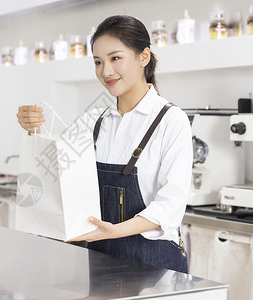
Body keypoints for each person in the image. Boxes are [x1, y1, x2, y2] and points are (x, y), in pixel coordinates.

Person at [16, 15, 192, 273]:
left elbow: (170, 207)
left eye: (115, 58)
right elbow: (56, 171)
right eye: (98, 62)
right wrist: (34, 128)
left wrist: (114, 231)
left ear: (143, 57)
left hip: (155, 266)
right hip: (100, 259)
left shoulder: (170, 120)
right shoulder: (94, 121)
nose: (105, 71)